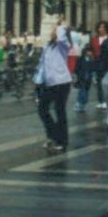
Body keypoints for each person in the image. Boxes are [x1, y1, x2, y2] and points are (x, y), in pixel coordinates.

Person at [35, 19, 73, 151]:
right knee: (42, 109)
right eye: (52, 30)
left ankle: (62, 141)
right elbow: (42, 65)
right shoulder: (47, 47)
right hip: (49, 83)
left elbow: (62, 39)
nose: (52, 32)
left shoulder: (63, 46)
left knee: (60, 111)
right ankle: (52, 134)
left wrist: (62, 27)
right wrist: (38, 81)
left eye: (54, 30)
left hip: (62, 82)